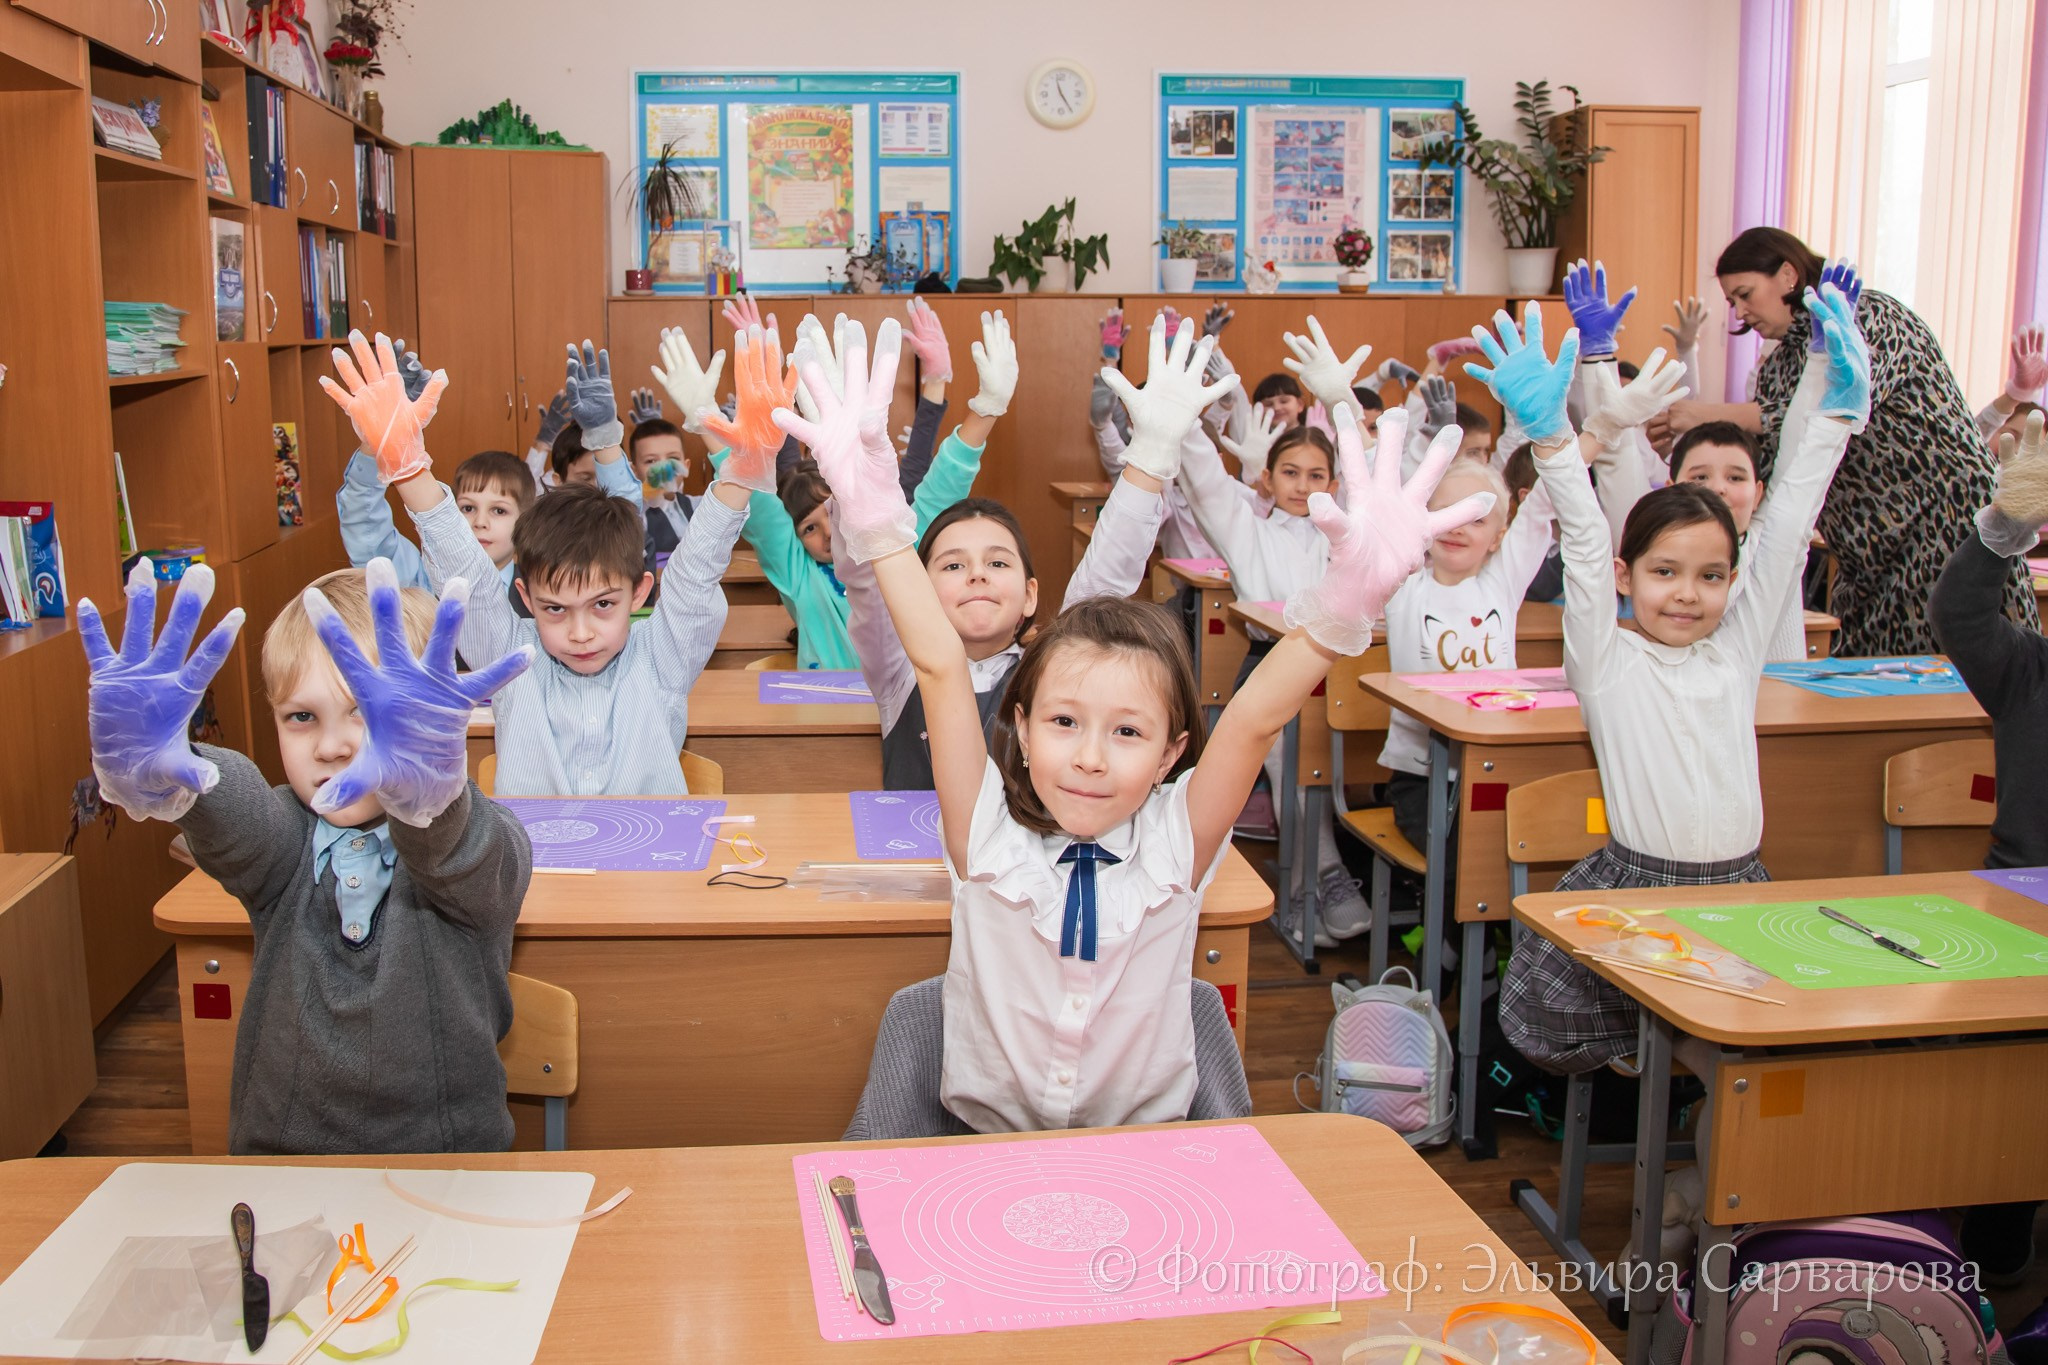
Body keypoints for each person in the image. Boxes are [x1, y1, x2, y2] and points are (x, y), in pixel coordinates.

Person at [783, 312, 1492, 1133]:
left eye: (1127, 732)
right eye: (1064, 722)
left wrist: (1346, 604)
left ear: (1170, 754)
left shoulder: (1175, 842)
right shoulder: (984, 833)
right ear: (1020, 726)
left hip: (1148, 1155)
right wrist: (874, 518)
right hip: (983, 1151)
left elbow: (1253, 718)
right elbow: (939, 664)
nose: (1091, 756)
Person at [1482, 280, 1869, 1075]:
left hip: (1739, 887)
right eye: (1665, 572)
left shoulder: (1733, 651)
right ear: (1628, 577)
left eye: (1710, 575)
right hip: (1639, 893)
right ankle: (1666, 1102)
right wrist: (1552, 437)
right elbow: (1584, 539)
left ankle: (1698, 1123)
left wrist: (1834, 417)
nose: (1688, 594)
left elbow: (1786, 525)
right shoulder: (1606, 659)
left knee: (1760, 1046)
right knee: (1686, 1048)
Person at [80, 557, 532, 1154]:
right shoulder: (285, 837)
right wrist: (176, 770)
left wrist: (436, 804)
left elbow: (476, 863)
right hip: (281, 1163)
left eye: (366, 713)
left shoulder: (474, 833)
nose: (332, 746)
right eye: (301, 717)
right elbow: (240, 813)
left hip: (448, 1165)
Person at [320, 330, 747, 796]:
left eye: (603, 605)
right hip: (532, 848)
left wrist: (742, 465)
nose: (580, 633)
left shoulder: (662, 654)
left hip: (653, 847)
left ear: (640, 592)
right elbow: (462, 565)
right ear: (525, 598)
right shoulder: (509, 657)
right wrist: (404, 463)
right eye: (555, 609)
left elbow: (695, 571)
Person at [845, 318, 1200, 790]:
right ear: (917, 593)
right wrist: (853, 485)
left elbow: (1106, 576)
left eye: (998, 563)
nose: (977, 575)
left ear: (1030, 595)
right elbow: (869, 577)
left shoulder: (1051, 666)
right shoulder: (898, 670)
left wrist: (1150, 460)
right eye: (953, 565)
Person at [1663, 226, 2036, 653]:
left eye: (1745, 295)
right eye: (1733, 303)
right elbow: (1778, 461)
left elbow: (1840, 409)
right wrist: (1689, 450)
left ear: (1788, 275)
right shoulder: (1778, 364)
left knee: (1959, 665)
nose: (1740, 313)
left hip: (1941, 526)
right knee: (1866, 676)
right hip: (1866, 555)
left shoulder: (1869, 316)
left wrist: (1703, 413)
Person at [700, 305, 1011, 670]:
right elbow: (766, 514)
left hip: (903, 698)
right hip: (827, 705)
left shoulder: (899, 551)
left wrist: (986, 408)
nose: (828, 533)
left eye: (833, 513)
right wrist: (706, 416)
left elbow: (939, 489)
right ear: (796, 539)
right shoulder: (801, 575)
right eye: (809, 528)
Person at [1928, 408, 2048, 1289]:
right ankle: (1997, 1235)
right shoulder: (2027, 670)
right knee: (2005, 1086)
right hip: (2019, 915)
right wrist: (2002, 528)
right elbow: (1959, 611)